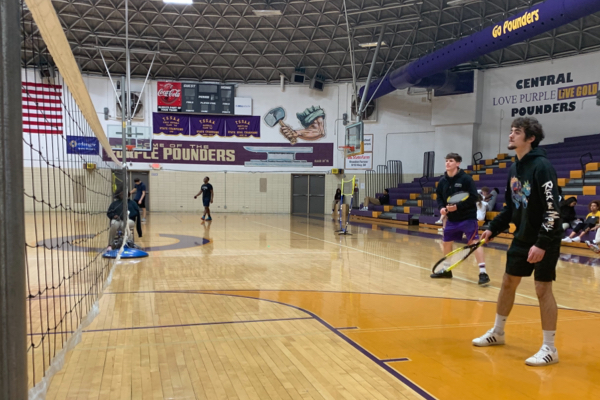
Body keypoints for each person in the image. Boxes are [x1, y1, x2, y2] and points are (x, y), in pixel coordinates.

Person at [473, 117, 563, 367]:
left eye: (517, 132)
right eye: (511, 131)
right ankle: (498, 332)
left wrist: (542, 243)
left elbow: (553, 210)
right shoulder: (514, 168)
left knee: (542, 289)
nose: (511, 136)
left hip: (545, 238)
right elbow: (511, 207)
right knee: (507, 282)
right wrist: (492, 228)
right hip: (522, 237)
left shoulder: (542, 167)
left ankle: (549, 348)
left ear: (530, 138)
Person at [431, 153, 489, 285]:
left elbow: (474, 197)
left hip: (467, 217)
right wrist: (441, 207)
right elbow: (439, 196)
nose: (447, 163)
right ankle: (446, 270)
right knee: (446, 242)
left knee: (474, 242)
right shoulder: (442, 181)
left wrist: (458, 207)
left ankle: (483, 273)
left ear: (457, 163)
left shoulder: (466, 179)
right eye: (446, 161)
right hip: (452, 219)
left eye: (451, 161)